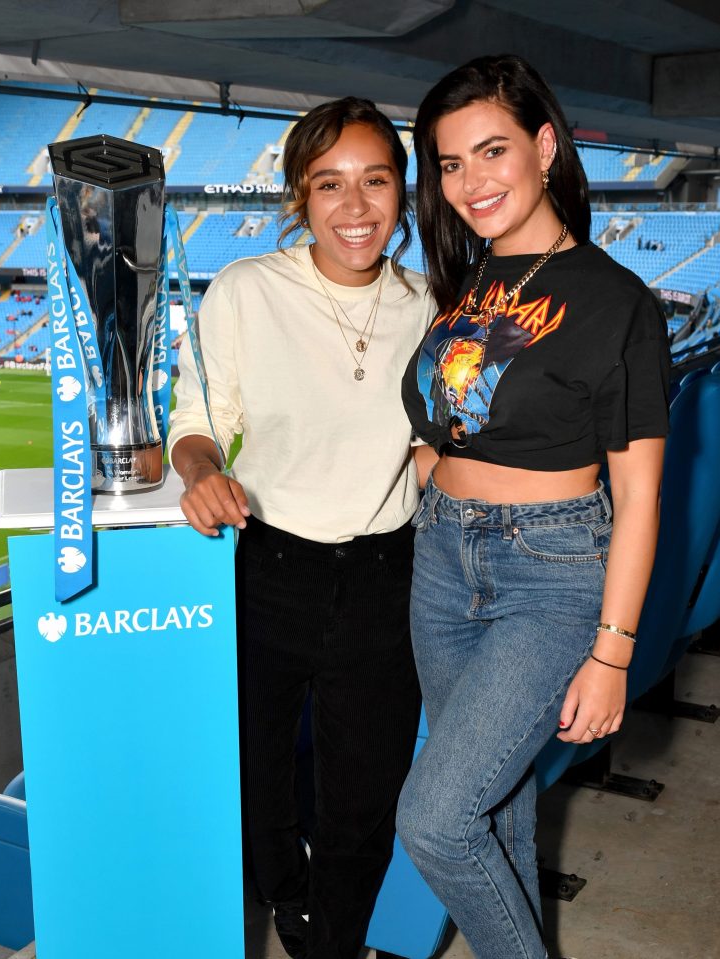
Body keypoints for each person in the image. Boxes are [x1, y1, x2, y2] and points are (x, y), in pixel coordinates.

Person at [396, 55, 670, 959]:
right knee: (493, 810)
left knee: (434, 819)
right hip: (440, 563)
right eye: (448, 165)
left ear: (544, 146)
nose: (471, 182)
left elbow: (637, 493)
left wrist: (612, 651)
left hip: (549, 573)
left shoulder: (616, 302)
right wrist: (434, 462)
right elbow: (449, 418)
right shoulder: (468, 281)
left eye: (492, 151)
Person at [168, 97, 435, 959]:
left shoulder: (431, 306)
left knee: (363, 798)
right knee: (253, 779)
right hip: (268, 565)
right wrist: (203, 470)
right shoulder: (247, 290)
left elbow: (439, 442)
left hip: (386, 578)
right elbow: (198, 418)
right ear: (298, 195)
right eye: (329, 184)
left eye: (374, 182)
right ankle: (289, 897)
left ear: (402, 192)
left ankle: (331, 941)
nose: (354, 208)